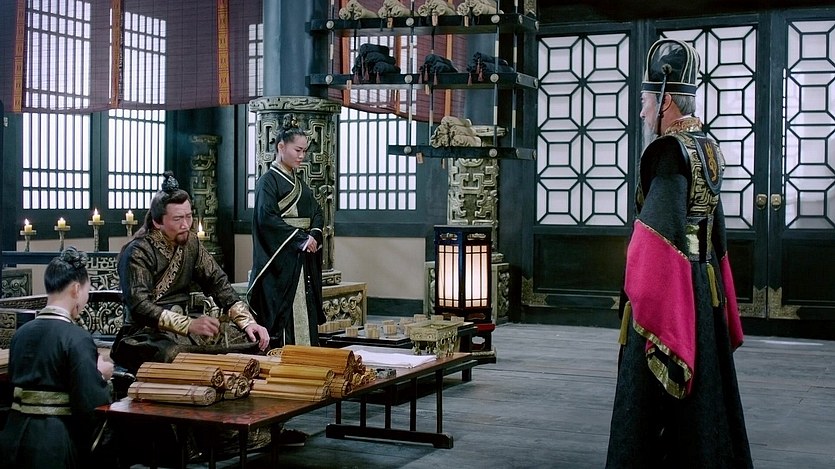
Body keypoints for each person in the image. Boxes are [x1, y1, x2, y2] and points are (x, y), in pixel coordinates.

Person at [606, 39, 753, 468]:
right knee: (708, 400)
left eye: (645, 102)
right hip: (704, 290)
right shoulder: (707, 146)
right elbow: (714, 229)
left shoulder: (670, 151)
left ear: (665, 100)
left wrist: (637, 293)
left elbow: (655, 239)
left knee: (651, 406)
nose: (642, 112)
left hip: (674, 292)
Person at [111, 171, 270, 375]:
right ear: (157, 222)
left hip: (185, 331)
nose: (186, 225)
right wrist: (189, 324)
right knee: (172, 354)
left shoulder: (191, 243)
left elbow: (218, 282)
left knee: (250, 338)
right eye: (177, 219)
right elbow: (140, 306)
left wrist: (247, 322)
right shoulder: (138, 252)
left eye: (188, 216)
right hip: (143, 335)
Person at [0, 247, 113, 469]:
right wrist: (100, 375)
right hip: (53, 442)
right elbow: (91, 404)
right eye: (87, 291)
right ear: (76, 289)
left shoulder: (21, 334)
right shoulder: (77, 338)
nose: (86, 298)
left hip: (13, 436)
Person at [247, 113, 326, 349]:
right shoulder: (267, 182)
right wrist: (300, 238)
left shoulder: (300, 184)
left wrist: (314, 234)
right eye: (297, 150)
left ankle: (308, 357)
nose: (302, 156)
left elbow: (317, 211)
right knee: (284, 317)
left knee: (305, 311)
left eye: (304, 151)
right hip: (280, 262)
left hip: (301, 260)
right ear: (281, 147)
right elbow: (266, 219)